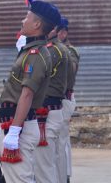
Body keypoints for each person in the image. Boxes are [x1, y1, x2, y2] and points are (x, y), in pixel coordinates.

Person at [0, 0, 60, 183]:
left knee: (20, 180)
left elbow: (27, 94)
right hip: (15, 123)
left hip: (20, 128)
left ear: (37, 24)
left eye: (27, 17)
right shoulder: (31, 51)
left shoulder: (36, 55)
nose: (23, 21)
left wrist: (14, 130)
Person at [34, 14, 70, 183]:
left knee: (44, 166)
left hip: (48, 111)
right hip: (51, 109)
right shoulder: (54, 49)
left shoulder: (53, 50)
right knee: (53, 160)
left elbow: (34, 74)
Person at [57, 17, 80, 183]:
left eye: (62, 31)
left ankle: (64, 176)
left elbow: (70, 74)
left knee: (62, 142)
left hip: (64, 99)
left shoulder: (70, 51)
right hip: (57, 101)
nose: (60, 34)